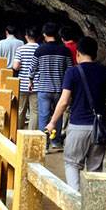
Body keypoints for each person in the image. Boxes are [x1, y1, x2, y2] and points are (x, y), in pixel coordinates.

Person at [45, 36, 106, 197]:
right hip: (99, 128)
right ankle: (93, 206)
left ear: (78, 53)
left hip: (78, 125)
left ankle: (74, 198)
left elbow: (64, 101)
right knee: (94, 168)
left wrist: (52, 122)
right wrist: (101, 97)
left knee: (72, 164)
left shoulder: (72, 72)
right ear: (96, 53)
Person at [28, 22, 73, 150]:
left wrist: (30, 81)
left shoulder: (40, 50)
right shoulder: (65, 50)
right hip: (60, 88)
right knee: (57, 115)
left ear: (44, 35)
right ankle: (55, 141)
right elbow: (70, 69)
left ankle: (44, 144)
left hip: (43, 88)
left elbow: (33, 68)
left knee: (43, 115)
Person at [11, 26, 40, 129]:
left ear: (26, 36)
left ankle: (18, 131)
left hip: (23, 83)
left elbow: (15, 66)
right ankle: (31, 134)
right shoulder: (40, 48)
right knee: (35, 111)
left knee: (20, 110)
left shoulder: (21, 49)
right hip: (37, 84)